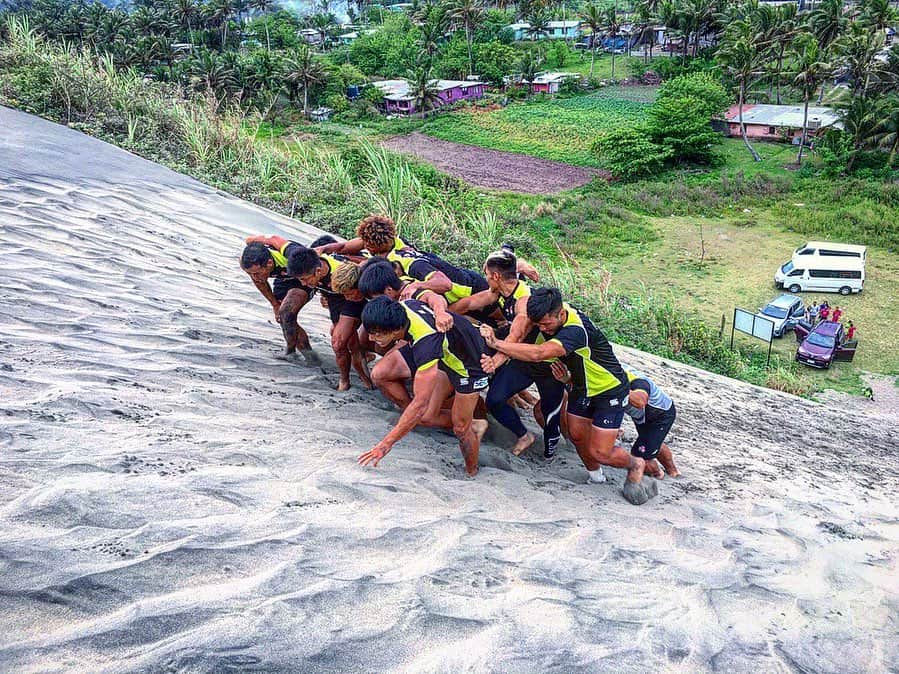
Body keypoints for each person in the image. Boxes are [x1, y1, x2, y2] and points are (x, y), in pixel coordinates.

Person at [480, 287, 657, 505]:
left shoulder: (575, 330)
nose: (542, 329)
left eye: (546, 324)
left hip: (608, 389)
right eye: (539, 325)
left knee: (601, 451)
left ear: (561, 314)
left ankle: (635, 463)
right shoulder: (545, 313)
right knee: (577, 435)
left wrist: (496, 344)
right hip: (580, 387)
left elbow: (539, 353)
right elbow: (522, 306)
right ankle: (596, 477)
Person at [358, 296, 490, 476]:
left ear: (396, 329)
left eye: (378, 334)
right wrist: (440, 311)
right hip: (446, 352)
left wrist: (385, 444)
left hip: (470, 364)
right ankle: (472, 422)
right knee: (426, 416)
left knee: (460, 427)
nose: (372, 339)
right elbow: (431, 295)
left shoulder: (426, 343)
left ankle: (472, 471)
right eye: (370, 332)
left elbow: (420, 403)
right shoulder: (404, 305)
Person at [454, 249, 567, 459]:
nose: (485, 277)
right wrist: (443, 313)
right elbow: (471, 303)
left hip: (541, 361)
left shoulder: (523, 301)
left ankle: (545, 440)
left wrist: (494, 363)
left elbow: (516, 337)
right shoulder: (499, 291)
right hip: (518, 355)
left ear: (495, 276)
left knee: (546, 415)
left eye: (486, 274)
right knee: (496, 398)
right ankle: (523, 429)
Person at [357, 259, 457, 411]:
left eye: (374, 298)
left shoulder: (410, 292)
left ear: (389, 290)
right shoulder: (393, 298)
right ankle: (410, 410)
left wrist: (440, 312)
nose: (372, 302)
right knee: (379, 372)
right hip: (416, 343)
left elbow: (436, 297)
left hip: (440, 346)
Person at [287, 247, 372, 391]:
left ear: (318, 271)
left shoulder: (340, 269)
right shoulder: (312, 269)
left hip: (352, 297)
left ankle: (360, 381)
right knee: (346, 340)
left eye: (305, 279)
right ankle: (349, 379)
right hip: (335, 300)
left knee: (339, 342)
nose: (303, 284)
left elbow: (366, 263)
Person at [240, 235, 319, 365]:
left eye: (257, 273)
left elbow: (274, 238)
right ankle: (292, 351)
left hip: (304, 275)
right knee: (283, 317)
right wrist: (274, 304)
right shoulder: (248, 264)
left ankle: (309, 357)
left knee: (286, 312)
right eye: (251, 274)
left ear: (269, 263)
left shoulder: (290, 253)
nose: (255, 277)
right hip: (283, 279)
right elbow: (260, 283)